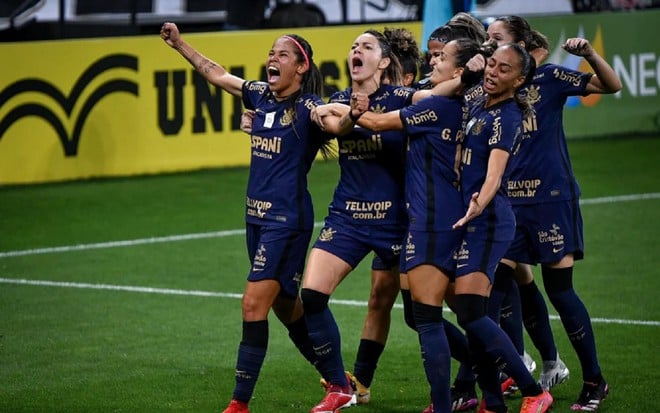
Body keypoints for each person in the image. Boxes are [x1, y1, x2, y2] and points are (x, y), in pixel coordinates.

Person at [160, 22, 333, 413]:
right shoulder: (260, 96)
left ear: (301, 68)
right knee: (285, 306)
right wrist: (180, 45)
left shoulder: (305, 108)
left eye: (282, 55)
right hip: (255, 218)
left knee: (253, 304)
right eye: (271, 53)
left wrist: (351, 114)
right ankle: (338, 379)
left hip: (285, 221)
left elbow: (331, 121)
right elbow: (217, 73)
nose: (273, 59)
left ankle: (239, 403)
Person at [485, 15, 622, 411]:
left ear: (522, 46)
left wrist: (591, 55)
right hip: (509, 202)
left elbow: (611, 86)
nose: (490, 47)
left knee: (560, 291)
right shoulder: (490, 87)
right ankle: (520, 367)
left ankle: (594, 379)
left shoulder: (550, 79)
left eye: (497, 40)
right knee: (496, 281)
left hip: (551, 201)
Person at [350, 37, 483, 413]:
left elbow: (378, 119)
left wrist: (356, 112)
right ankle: (489, 375)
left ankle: (496, 372)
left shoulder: (427, 103)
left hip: (429, 221)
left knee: (441, 312)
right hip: (407, 219)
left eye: (438, 58)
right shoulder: (433, 98)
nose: (431, 65)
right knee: (415, 310)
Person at [301, 29, 415, 413]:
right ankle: (342, 386)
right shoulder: (338, 101)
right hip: (348, 216)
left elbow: (434, 102)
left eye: (366, 47)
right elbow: (332, 122)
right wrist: (341, 111)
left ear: (383, 62)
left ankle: (489, 366)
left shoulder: (401, 99)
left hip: (396, 220)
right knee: (313, 294)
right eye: (353, 47)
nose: (356, 51)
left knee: (410, 312)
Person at [436, 42, 553, 413]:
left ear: (518, 80)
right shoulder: (477, 101)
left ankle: (534, 391)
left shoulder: (507, 117)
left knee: (472, 313)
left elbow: (494, 175)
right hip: (468, 220)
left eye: (503, 69)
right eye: (491, 64)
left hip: (487, 221)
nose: (492, 72)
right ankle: (492, 401)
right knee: (472, 316)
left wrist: (478, 203)